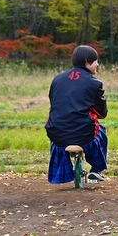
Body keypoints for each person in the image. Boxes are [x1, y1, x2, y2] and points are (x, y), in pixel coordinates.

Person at [45, 45, 108, 184]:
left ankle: (65, 172)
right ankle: (96, 170)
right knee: (101, 130)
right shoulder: (94, 83)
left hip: (56, 133)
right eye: (95, 60)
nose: (97, 64)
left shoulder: (57, 79)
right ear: (87, 61)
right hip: (83, 134)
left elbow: (54, 104)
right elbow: (102, 113)